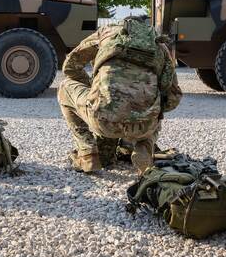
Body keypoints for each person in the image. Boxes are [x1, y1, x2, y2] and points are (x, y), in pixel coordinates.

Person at [58, 16, 182, 174]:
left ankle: (87, 152)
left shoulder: (106, 33)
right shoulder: (160, 46)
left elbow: (70, 67)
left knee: (65, 87)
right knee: (158, 108)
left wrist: (93, 87)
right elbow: (173, 98)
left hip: (103, 120)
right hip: (144, 126)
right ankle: (144, 148)